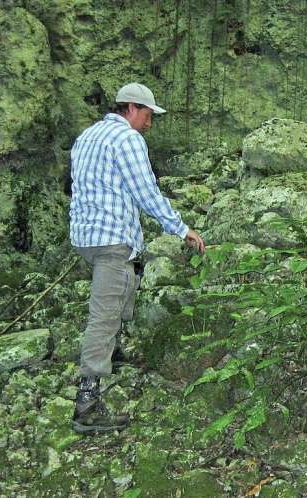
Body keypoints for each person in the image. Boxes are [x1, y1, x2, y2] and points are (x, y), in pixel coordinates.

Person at [68, 82, 206, 434]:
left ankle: (113, 352)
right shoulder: (127, 139)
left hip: (86, 238)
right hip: (111, 240)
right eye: (147, 114)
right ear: (130, 108)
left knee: (127, 278)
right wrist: (182, 229)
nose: (149, 123)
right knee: (104, 315)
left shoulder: (87, 136)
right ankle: (87, 403)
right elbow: (146, 192)